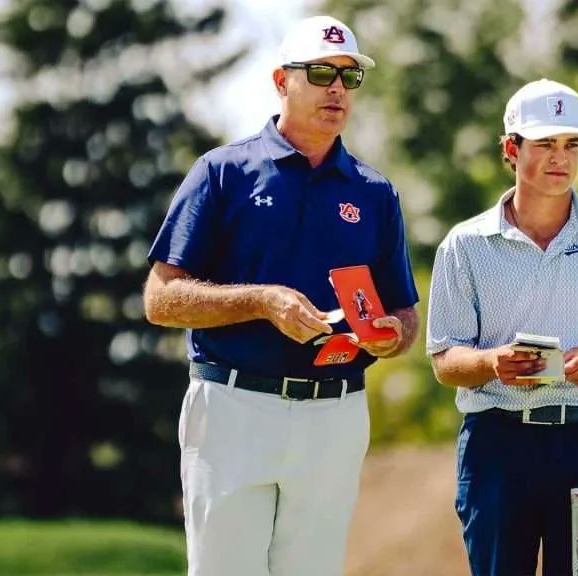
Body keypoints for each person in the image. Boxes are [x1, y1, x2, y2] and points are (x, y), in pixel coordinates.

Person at [143, 15, 419, 576]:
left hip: (335, 414)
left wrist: (391, 337)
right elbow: (161, 298)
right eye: (320, 73)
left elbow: (404, 313)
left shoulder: (375, 192)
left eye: (349, 77)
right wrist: (262, 301)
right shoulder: (222, 172)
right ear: (280, 81)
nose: (337, 88)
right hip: (233, 407)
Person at [426, 79, 578, 576]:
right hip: (495, 445)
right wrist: (492, 363)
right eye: (545, 144)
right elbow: (445, 361)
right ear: (511, 150)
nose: (561, 157)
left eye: (571, 144)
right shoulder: (464, 245)